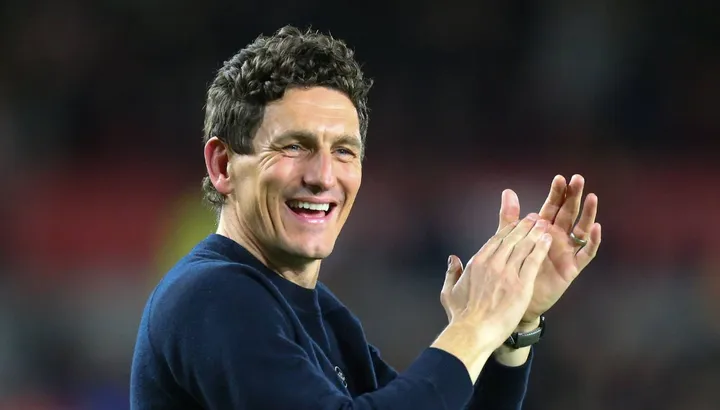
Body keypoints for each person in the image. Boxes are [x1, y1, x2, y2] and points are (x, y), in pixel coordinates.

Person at [130, 25, 602, 410]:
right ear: (223, 166)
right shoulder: (210, 296)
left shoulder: (327, 318)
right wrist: (475, 324)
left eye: (344, 151)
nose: (322, 177)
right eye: (293, 146)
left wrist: (514, 326)